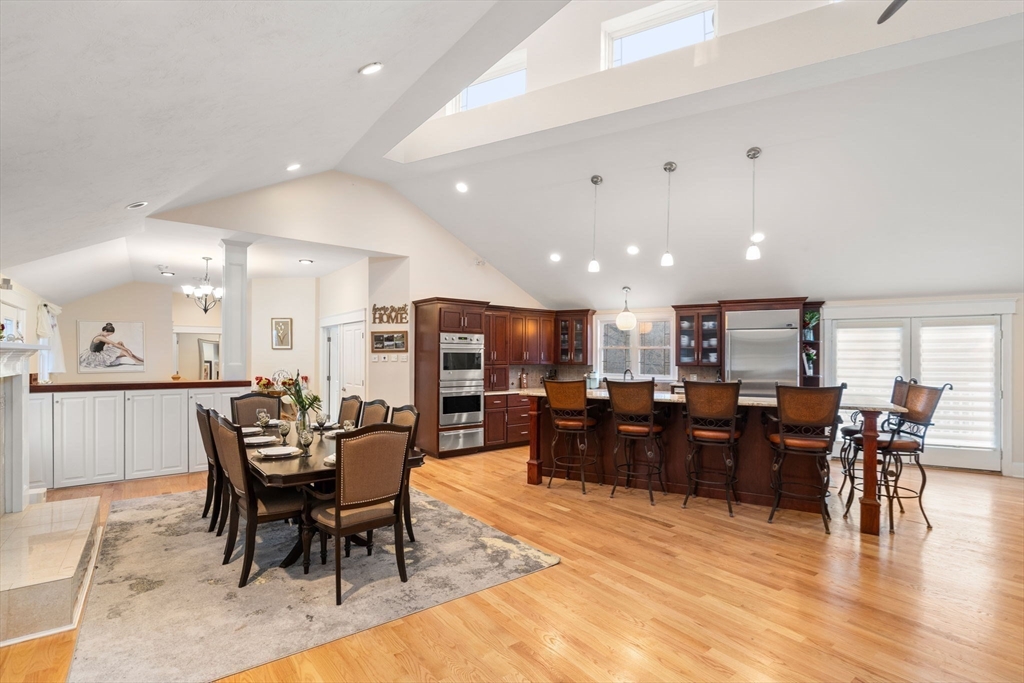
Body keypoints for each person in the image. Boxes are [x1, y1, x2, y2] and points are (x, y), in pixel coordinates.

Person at [79, 323, 144, 369]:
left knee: (120, 343)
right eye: (108, 334)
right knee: (124, 351)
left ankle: (139, 359)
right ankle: (136, 361)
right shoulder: (100, 337)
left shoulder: (101, 335)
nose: (108, 336)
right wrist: (127, 349)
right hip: (96, 356)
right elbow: (113, 344)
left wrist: (120, 346)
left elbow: (107, 344)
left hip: (100, 352)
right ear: (104, 331)